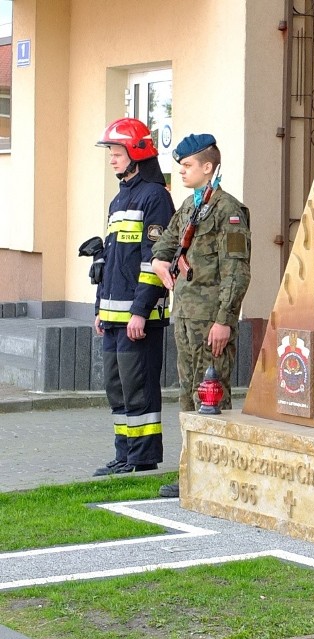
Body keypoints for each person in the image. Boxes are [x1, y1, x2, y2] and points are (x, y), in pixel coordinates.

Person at [151, 133, 251, 498]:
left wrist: (225, 319)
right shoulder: (191, 207)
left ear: (208, 167)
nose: (181, 171)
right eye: (180, 166)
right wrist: (161, 261)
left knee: (211, 396)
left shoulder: (228, 211)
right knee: (187, 397)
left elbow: (237, 271)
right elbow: (165, 242)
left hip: (211, 320)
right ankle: (192, 472)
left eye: (188, 165)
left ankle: (217, 477)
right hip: (186, 317)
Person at [93, 117, 175, 476]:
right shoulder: (119, 200)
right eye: (110, 151)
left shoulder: (154, 197)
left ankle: (142, 458)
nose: (111, 158)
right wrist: (99, 309)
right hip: (113, 318)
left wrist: (140, 311)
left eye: (116, 151)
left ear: (136, 153)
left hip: (138, 318)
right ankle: (124, 454)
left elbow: (154, 261)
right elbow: (112, 261)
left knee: (138, 387)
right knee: (117, 386)